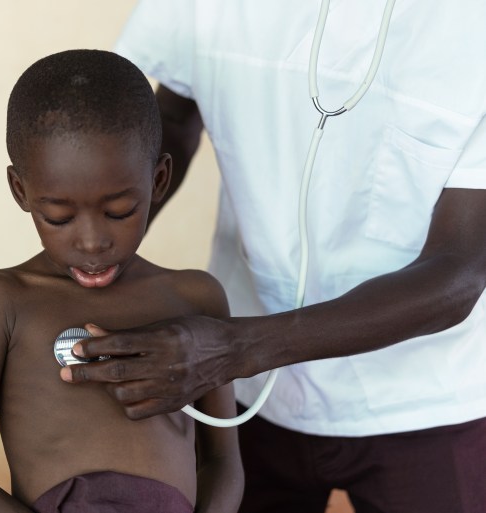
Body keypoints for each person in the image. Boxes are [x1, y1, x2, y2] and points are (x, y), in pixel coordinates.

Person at [58, 2, 486, 512]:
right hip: (241, 397)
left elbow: (459, 271)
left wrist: (235, 350)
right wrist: (94, 253)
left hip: (429, 403)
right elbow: (171, 113)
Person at [0, 49, 243, 513]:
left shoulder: (196, 297)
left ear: (158, 182)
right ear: (21, 192)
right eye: (59, 217)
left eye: (120, 212)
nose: (93, 242)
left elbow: (223, 464)